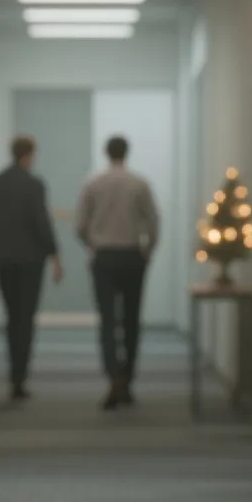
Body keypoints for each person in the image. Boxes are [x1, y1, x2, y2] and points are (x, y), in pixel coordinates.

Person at [76, 135, 160, 409]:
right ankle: (128, 378)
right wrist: (148, 250)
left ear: (106, 153)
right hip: (132, 255)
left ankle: (113, 377)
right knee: (132, 319)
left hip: (104, 256)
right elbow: (153, 221)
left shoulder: (93, 184)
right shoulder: (140, 183)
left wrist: (92, 244)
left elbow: (80, 224)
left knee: (108, 320)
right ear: (127, 153)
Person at [0, 136, 62, 401]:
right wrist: (54, 255)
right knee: (25, 318)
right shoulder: (34, 184)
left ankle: (13, 372)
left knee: (11, 316)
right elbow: (41, 222)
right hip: (30, 262)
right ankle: (19, 376)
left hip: (4, 260)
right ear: (29, 154)